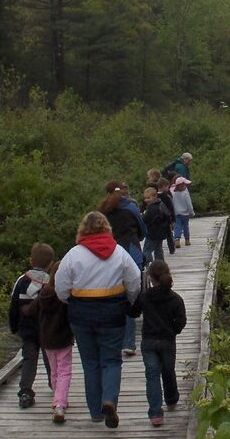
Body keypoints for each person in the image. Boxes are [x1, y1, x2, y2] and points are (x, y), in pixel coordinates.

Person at [56, 211, 141, 428]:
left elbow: (61, 288)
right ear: (107, 229)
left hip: (81, 314)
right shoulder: (119, 252)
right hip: (113, 313)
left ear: (82, 230)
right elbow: (134, 281)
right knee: (111, 360)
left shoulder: (73, 255)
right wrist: (128, 301)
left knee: (90, 363)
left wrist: (71, 302)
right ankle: (109, 399)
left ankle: (95, 411)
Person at [128, 260, 187, 427]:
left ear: (150, 278)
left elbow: (133, 313)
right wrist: (173, 331)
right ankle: (171, 399)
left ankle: (155, 413)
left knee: (152, 375)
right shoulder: (176, 299)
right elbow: (181, 321)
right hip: (167, 341)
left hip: (149, 341)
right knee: (168, 371)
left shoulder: (145, 296)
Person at [22, 258, 74, 424]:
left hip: (46, 339)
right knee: (64, 370)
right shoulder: (66, 296)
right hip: (63, 338)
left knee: (54, 370)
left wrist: (21, 309)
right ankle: (59, 403)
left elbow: (29, 310)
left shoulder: (43, 293)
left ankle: (57, 394)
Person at [100, 181, 145, 357]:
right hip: (131, 253)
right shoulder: (132, 208)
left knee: (111, 297)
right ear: (124, 193)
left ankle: (112, 341)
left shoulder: (101, 211)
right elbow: (143, 231)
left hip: (109, 256)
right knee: (129, 298)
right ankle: (129, 343)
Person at [8, 242, 54, 409]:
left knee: (29, 359)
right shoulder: (51, 282)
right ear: (50, 264)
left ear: (30, 260)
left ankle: (26, 391)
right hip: (47, 329)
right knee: (51, 359)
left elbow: (13, 306)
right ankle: (55, 385)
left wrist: (14, 326)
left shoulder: (22, 281)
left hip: (27, 330)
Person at [141, 187, 171, 266]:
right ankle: (161, 264)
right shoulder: (161, 204)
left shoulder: (151, 208)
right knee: (158, 249)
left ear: (155, 197)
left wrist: (142, 215)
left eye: (148, 198)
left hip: (152, 233)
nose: (146, 200)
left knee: (146, 250)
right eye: (145, 198)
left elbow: (145, 219)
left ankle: (147, 263)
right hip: (160, 232)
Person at [171, 176, 195, 247]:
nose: (186, 186)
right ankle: (187, 240)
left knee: (177, 226)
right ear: (181, 185)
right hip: (185, 214)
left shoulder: (173, 193)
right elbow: (189, 204)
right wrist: (191, 212)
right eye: (185, 185)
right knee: (185, 226)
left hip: (176, 213)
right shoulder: (185, 194)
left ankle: (177, 239)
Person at [156, 177, 176, 255]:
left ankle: (158, 248)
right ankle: (171, 248)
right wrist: (173, 220)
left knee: (159, 235)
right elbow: (171, 208)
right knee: (169, 235)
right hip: (167, 219)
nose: (168, 189)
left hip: (158, 220)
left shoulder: (155, 196)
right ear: (164, 186)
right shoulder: (166, 197)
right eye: (168, 187)